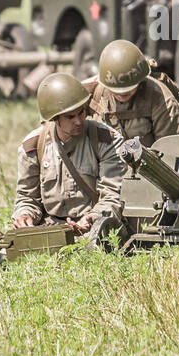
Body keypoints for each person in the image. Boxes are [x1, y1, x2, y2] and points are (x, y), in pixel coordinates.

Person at [13, 71, 125, 241]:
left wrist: (92, 218)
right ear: (54, 118)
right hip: (49, 226)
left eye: (81, 113)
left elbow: (113, 196)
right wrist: (24, 216)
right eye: (70, 117)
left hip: (95, 226)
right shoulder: (33, 147)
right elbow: (27, 197)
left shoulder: (106, 140)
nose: (79, 121)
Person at [82, 39, 179, 145]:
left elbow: (169, 152)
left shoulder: (162, 101)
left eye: (128, 89)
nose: (121, 94)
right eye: (115, 90)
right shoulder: (92, 91)